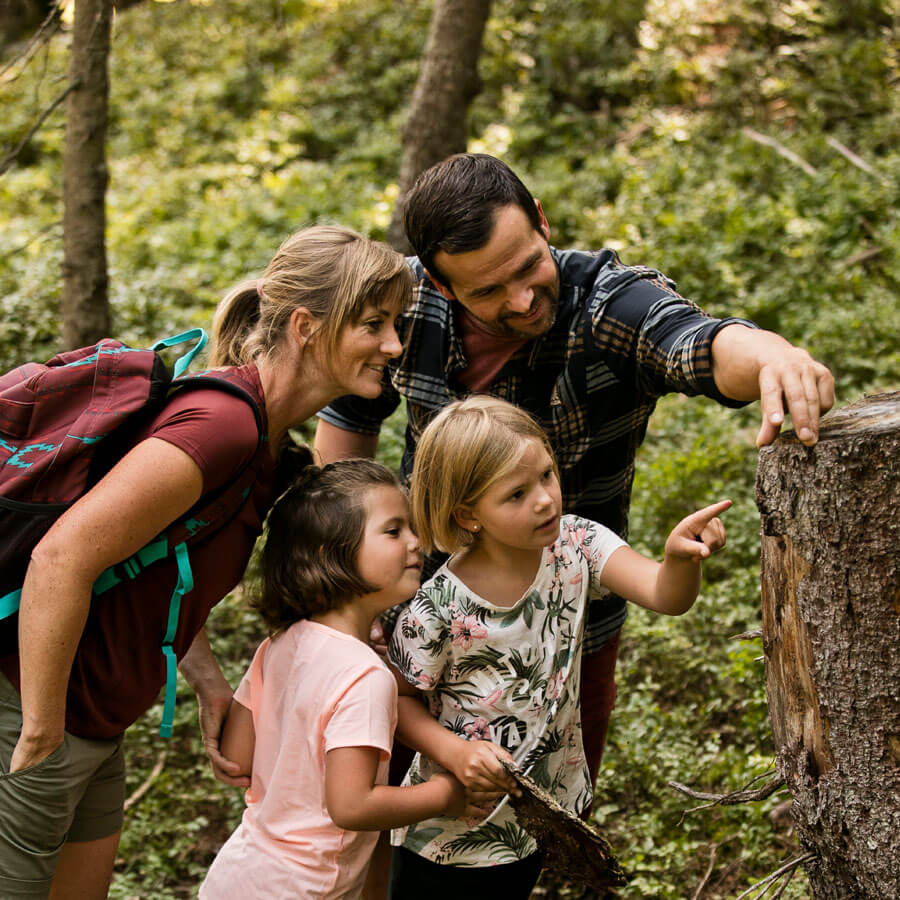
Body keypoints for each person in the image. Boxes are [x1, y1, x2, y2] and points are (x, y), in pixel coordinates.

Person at [314, 153, 835, 793]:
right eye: (488, 291)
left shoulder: (607, 301)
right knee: (385, 793)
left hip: (567, 630)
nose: (524, 299)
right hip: (422, 611)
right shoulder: (409, 305)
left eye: (530, 265)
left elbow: (692, 341)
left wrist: (772, 357)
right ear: (442, 285)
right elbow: (344, 443)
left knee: (549, 802)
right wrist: (349, 587)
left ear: (541, 221)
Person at [0, 225, 413, 900]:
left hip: (97, 723)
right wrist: (42, 725)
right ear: (307, 326)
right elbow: (61, 557)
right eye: (374, 324)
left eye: (395, 324)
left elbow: (154, 568)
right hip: (31, 711)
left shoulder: (270, 449)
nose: (392, 346)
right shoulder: (224, 428)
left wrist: (209, 683)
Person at [386, 396, 730, 896]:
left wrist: (680, 558)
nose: (546, 499)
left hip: (539, 814)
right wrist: (454, 753)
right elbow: (395, 698)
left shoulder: (577, 544)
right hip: (453, 831)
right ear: (469, 514)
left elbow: (663, 593)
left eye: (546, 475)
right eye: (516, 494)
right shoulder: (437, 609)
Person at [199, 458, 487, 899]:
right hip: (302, 888)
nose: (416, 543)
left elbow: (237, 759)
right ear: (330, 554)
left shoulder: (279, 644)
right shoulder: (366, 676)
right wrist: (445, 795)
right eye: (393, 531)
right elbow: (352, 804)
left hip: (239, 873)